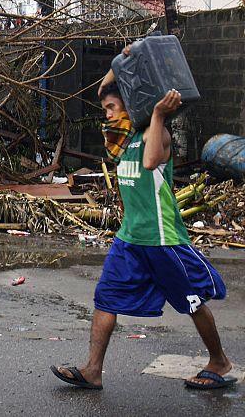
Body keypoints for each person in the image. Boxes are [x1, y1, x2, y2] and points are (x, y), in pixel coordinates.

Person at [50, 62, 236, 391]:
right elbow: (102, 90)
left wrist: (159, 114)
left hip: (163, 241)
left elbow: (151, 163)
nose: (106, 113)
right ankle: (93, 370)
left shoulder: (154, 133)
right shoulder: (123, 140)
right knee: (105, 298)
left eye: (112, 107)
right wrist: (118, 63)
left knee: (192, 302)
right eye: (106, 108)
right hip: (130, 241)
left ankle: (219, 360)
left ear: (130, 105)